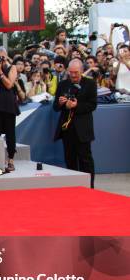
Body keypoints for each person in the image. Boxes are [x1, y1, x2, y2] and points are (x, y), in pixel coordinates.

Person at [53, 59, 97, 189]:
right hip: (67, 128)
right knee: (70, 159)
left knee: (85, 160)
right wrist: (61, 103)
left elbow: (92, 105)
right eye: (71, 72)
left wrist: (76, 105)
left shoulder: (90, 84)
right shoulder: (62, 84)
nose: (73, 75)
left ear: (82, 71)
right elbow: (55, 107)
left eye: (76, 73)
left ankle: (89, 187)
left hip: (83, 129)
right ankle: (74, 188)